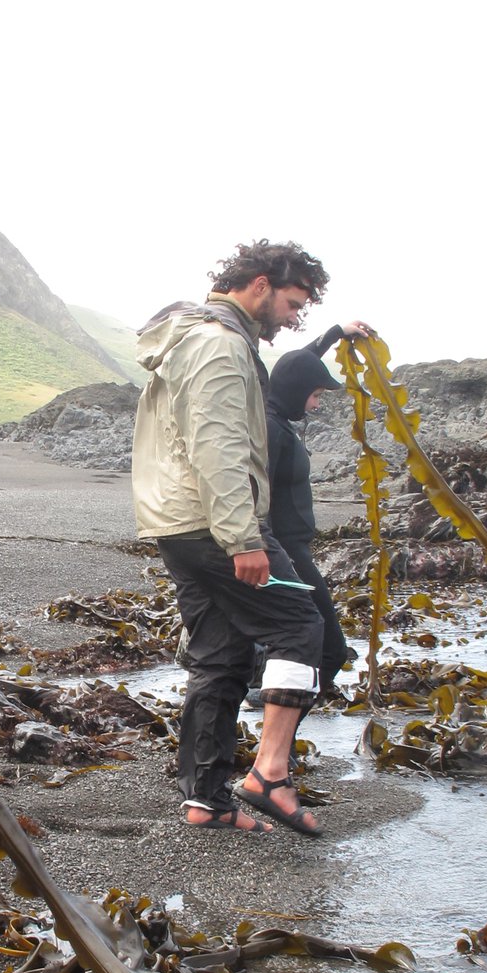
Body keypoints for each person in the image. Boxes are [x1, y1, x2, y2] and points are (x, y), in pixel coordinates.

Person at [131, 239, 329, 835]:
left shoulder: (196, 334)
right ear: (262, 285)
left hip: (178, 522)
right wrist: (243, 538)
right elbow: (216, 445)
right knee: (299, 624)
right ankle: (269, 774)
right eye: (294, 303)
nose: (295, 318)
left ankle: (207, 801)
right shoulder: (219, 345)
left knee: (221, 654)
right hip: (215, 521)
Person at [262, 317, 374, 703]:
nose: (317, 403)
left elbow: (296, 365)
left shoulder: (277, 413)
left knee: (308, 644)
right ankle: (275, 734)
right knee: (329, 649)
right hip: (285, 551)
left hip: (293, 549)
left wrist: (336, 333)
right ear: (296, 392)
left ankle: (267, 713)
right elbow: (255, 500)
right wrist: (270, 556)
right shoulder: (271, 431)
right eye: (315, 395)